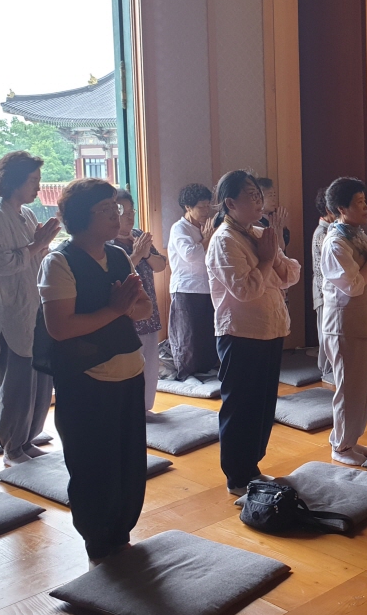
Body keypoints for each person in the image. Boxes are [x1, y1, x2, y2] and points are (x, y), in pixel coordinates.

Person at [38, 179, 151, 566]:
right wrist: (116, 310)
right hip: (87, 379)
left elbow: (143, 308)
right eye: (106, 210)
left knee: (129, 462)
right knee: (93, 465)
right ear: (82, 217)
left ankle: (121, 533)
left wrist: (130, 307)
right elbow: (61, 328)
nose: (116, 216)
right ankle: (98, 543)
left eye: (115, 208)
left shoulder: (118, 255)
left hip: (129, 371)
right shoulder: (59, 262)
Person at [206, 171, 301, 495]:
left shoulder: (259, 233)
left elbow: (289, 275)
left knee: (262, 405)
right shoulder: (224, 240)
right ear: (231, 203)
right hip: (240, 332)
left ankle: (252, 468)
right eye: (251, 195)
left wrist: (272, 258)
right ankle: (237, 476)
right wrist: (266, 259)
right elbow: (245, 290)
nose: (259, 200)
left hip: (270, 328)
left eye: (259, 194)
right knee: (240, 406)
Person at [0, 151, 59, 467]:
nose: (38, 187)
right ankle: (11, 446)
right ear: (14, 181)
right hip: (11, 311)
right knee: (17, 384)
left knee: (40, 381)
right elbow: (3, 264)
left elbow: (36, 257)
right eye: (33, 180)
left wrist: (43, 245)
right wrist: (38, 244)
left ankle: (27, 439)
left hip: (35, 306)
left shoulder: (25, 214)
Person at [320, 177, 367, 465]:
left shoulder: (358, 235)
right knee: (348, 389)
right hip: (343, 325)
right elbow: (353, 286)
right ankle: (340, 446)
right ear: (341, 209)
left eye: (364, 201)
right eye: (359, 203)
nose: (365, 208)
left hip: (363, 321)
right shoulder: (335, 243)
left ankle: (351, 440)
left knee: (362, 389)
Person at [110, 189, 166, 415]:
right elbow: (116, 274)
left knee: (150, 365)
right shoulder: (109, 243)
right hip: (127, 314)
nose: (129, 216)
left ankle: (145, 409)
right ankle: (130, 411)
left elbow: (161, 265)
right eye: (123, 211)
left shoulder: (138, 235)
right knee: (130, 366)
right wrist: (137, 254)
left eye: (131, 211)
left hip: (149, 310)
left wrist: (146, 253)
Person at [167, 182, 218, 379]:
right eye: (201, 207)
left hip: (208, 286)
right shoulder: (179, 228)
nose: (206, 211)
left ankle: (207, 370)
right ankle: (187, 373)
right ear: (188, 207)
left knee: (207, 332)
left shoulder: (207, 227)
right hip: (186, 287)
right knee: (188, 334)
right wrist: (206, 239)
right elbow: (191, 255)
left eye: (208, 206)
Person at [311, 187, 333, 379]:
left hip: (329, 291)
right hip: (323, 291)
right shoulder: (322, 233)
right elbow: (323, 269)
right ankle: (326, 370)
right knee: (325, 333)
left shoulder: (331, 230)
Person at [256, 176, 291, 251]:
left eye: (274, 195)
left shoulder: (275, 216)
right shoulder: (255, 221)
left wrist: (283, 228)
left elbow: (285, 243)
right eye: (270, 195)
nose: (273, 199)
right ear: (259, 198)